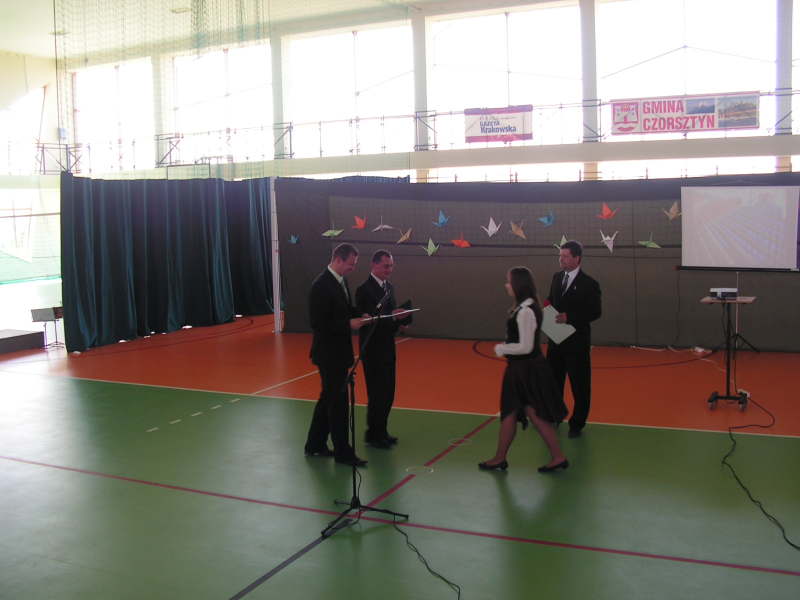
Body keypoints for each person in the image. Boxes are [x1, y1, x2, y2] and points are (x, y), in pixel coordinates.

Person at [478, 266, 569, 473]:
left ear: (518, 285)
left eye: (509, 282)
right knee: (513, 413)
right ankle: (501, 457)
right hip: (522, 369)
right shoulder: (523, 308)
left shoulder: (526, 311)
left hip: (525, 371)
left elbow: (526, 347)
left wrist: (502, 348)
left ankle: (556, 456)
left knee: (529, 414)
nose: (506, 285)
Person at [304, 243, 369, 467]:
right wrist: (348, 324)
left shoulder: (341, 281)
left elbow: (345, 310)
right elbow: (318, 324)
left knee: (327, 399)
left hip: (340, 352)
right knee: (338, 404)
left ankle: (314, 444)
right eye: (351, 264)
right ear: (338, 259)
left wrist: (360, 315)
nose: (353, 268)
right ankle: (343, 452)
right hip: (328, 354)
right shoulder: (320, 286)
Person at [355, 250, 411, 449]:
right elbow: (368, 320)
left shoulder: (389, 287)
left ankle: (382, 431)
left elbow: (389, 317)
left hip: (387, 347)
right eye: (386, 266)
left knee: (388, 393)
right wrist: (392, 316)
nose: (389, 269)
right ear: (374, 264)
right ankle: (373, 434)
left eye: (391, 266)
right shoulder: (363, 290)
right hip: (372, 349)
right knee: (377, 393)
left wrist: (400, 322)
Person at [546, 240, 602, 438]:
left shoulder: (590, 284)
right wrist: (543, 311)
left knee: (580, 385)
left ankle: (577, 423)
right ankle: (554, 416)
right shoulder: (556, 278)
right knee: (553, 383)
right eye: (560, 256)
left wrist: (569, 317)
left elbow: (595, 312)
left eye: (565, 256)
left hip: (577, 343)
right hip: (555, 340)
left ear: (577, 258)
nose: (561, 259)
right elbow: (550, 300)